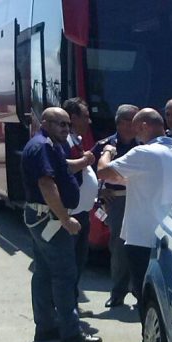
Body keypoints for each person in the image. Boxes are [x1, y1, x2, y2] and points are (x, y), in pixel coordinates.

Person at [96, 108, 172, 342]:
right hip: (165, 235)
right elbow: (141, 181)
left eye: (137, 129)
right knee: (162, 295)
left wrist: (107, 152)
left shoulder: (144, 153)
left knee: (143, 296)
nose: (134, 135)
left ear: (145, 126)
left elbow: (104, 172)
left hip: (141, 238)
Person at [21, 107, 101, 342]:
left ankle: (46, 327)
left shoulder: (50, 145)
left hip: (43, 218)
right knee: (65, 274)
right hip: (50, 220)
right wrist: (65, 219)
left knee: (45, 272)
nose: (65, 128)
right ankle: (70, 332)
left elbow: (62, 169)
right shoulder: (43, 145)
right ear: (44, 123)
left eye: (67, 124)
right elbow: (47, 184)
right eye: (59, 124)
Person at [91, 104, 140, 308]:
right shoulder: (106, 146)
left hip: (142, 199)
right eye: (130, 121)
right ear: (119, 123)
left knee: (142, 246)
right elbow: (87, 172)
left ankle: (140, 293)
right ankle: (118, 293)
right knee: (119, 248)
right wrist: (99, 191)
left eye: (136, 120)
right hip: (118, 201)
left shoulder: (144, 145)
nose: (134, 125)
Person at [62, 97, 99, 317]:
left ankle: (72, 306)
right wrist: (85, 161)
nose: (90, 120)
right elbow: (62, 167)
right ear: (73, 117)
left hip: (82, 213)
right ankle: (67, 311)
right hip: (72, 215)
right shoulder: (65, 141)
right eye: (85, 116)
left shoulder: (76, 139)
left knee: (77, 264)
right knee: (69, 265)